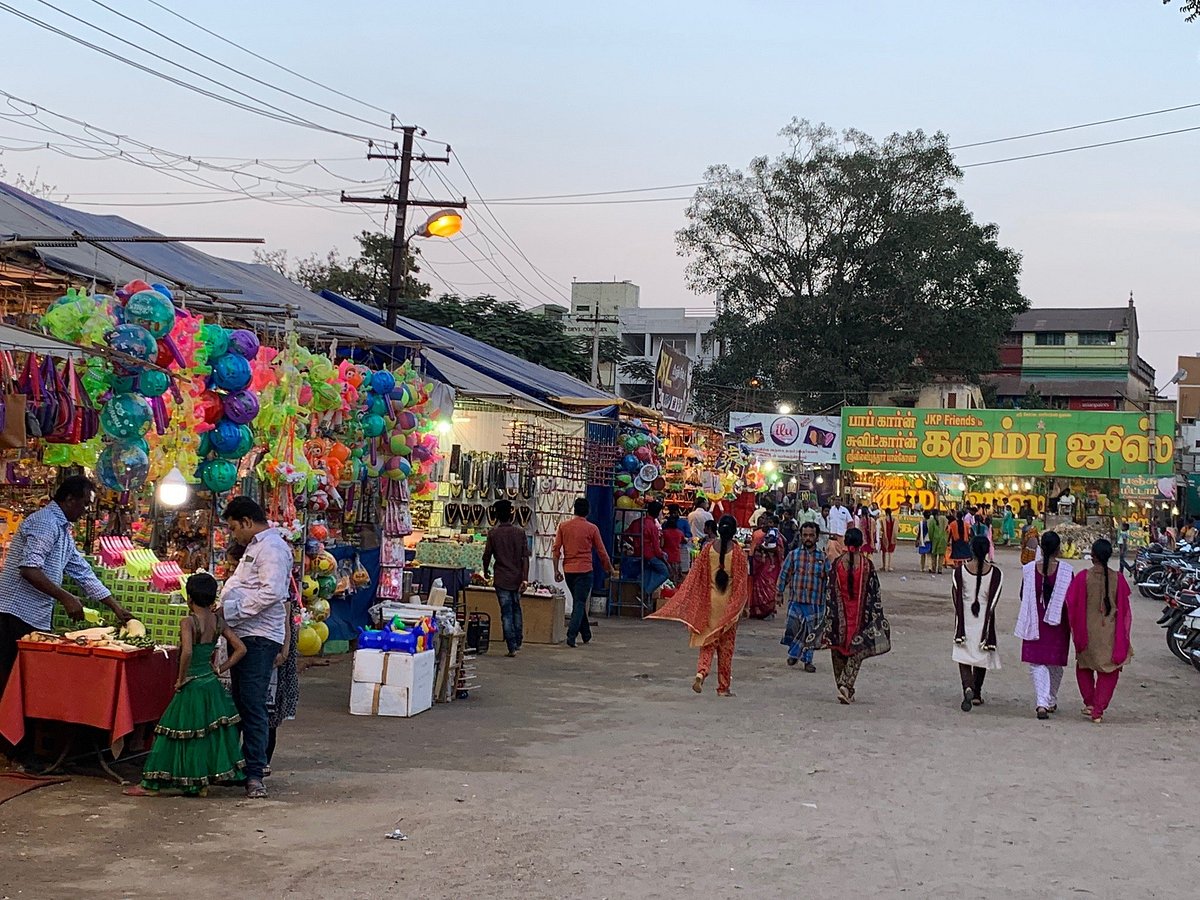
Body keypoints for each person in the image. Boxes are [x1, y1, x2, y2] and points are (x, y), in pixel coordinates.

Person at [0, 476, 132, 692]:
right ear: (70, 499)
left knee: (23, 682)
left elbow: (83, 572)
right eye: (85, 504)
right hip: (14, 613)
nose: (86, 512)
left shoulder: (62, 530)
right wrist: (67, 597)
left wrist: (116, 607)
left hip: (35, 615)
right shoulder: (45, 522)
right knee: (9, 679)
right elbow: (29, 569)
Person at [124, 573, 246, 797]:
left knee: (173, 733)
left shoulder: (188, 622)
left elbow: (187, 651)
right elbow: (241, 648)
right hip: (210, 684)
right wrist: (220, 668)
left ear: (189, 598)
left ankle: (152, 784)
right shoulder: (218, 621)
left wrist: (181, 679)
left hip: (192, 683)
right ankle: (200, 783)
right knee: (204, 735)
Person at [219, 496, 292, 799]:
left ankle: (254, 773)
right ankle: (244, 767)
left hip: (258, 636)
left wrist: (232, 610)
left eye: (235, 528)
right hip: (244, 633)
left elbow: (272, 593)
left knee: (252, 703)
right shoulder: (256, 546)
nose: (233, 534)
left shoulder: (272, 548)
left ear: (247, 522)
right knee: (241, 701)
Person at [649, 516, 748, 697]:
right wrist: (740, 607)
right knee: (726, 647)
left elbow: (695, 576)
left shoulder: (708, 549)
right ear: (734, 531)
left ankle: (701, 673)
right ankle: (723, 688)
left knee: (707, 643)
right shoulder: (739, 553)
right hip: (728, 607)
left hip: (710, 604)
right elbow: (741, 584)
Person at [807, 527, 890, 704]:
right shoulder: (867, 566)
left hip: (839, 617)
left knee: (837, 650)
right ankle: (846, 685)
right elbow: (874, 593)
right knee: (857, 651)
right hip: (860, 619)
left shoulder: (837, 564)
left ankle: (843, 686)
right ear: (861, 544)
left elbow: (828, 591)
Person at [1065, 539, 1133, 724]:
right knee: (1109, 671)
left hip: (1087, 632)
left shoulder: (1082, 577)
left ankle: (1090, 703)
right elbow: (1125, 609)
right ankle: (1098, 709)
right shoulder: (1118, 578)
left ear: (1092, 556)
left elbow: (1071, 603)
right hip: (1110, 632)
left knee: (1084, 666)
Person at [1015, 531, 1074, 720]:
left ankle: (1043, 702)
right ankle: (1050, 699)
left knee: (1038, 663)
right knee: (1055, 663)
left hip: (1035, 621)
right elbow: (1071, 600)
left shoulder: (1029, 569)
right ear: (1058, 549)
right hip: (1058, 624)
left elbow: (1023, 595)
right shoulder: (1066, 571)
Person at [552, 497, 616, 648]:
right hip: (585, 570)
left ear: (574, 510)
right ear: (588, 511)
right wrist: (610, 569)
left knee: (578, 601)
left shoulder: (563, 526)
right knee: (580, 603)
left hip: (568, 570)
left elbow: (556, 550)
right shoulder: (592, 528)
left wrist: (556, 570)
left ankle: (586, 634)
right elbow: (601, 552)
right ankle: (571, 635)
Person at [952, 535, 1003, 712]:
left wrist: (960, 620)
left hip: (965, 619)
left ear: (971, 549)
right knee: (982, 655)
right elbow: (994, 599)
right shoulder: (996, 573)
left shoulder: (959, 571)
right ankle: (977, 693)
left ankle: (967, 686)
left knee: (963, 654)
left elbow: (956, 596)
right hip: (984, 619)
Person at [482, 499, 531, 657]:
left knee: (506, 612)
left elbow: (487, 556)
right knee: (516, 608)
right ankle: (518, 640)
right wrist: (525, 578)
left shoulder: (493, 533)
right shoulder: (520, 533)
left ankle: (511, 645)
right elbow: (525, 557)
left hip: (501, 577)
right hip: (517, 577)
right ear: (511, 513)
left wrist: (486, 570)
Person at [778, 521, 829, 672]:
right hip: (796, 601)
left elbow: (830, 579)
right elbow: (784, 574)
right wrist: (779, 593)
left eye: (811, 535)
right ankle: (795, 652)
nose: (808, 538)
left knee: (811, 633)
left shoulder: (823, 558)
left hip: (815, 602)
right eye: (805, 535)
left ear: (817, 537)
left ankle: (808, 661)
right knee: (792, 629)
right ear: (800, 536)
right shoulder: (793, 555)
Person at [748, 516, 784, 619]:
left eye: (770, 522)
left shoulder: (777, 536)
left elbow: (777, 549)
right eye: (767, 522)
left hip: (771, 565)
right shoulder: (762, 533)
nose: (768, 524)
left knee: (769, 587)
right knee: (758, 586)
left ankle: (769, 610)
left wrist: (763, 547)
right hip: (761, 565)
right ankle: (757, 611)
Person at [661, 507, 688, 585]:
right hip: (676, 557)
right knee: (675, 578)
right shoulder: (680, 533)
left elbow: (661, 545)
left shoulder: (664, 533)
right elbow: (685, 540)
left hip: (666, 557)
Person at [929, 509, 948, 576]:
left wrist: (931, 539)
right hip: (943, 538)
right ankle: (940, 569)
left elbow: (931, 531)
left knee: (934, 554)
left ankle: (933, 569)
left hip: (935, 538)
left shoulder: (932, 521)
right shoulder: (944, 519)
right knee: (941, 555)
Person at [879, 508, 897, 573]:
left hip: (885, 536)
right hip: (892, 536)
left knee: (884, 551)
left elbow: (881, 529)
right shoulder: (894, 520)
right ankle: (889, 566)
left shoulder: (883, 520)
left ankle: (884, 566)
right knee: (890, 552)